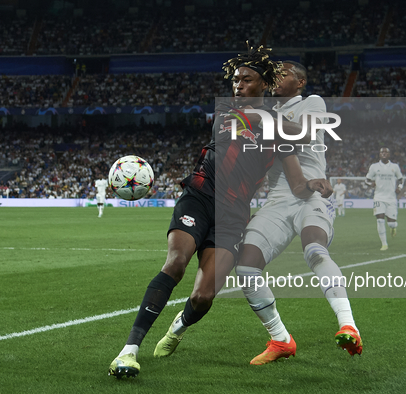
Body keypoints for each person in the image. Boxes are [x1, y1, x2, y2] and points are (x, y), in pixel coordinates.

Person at [108, 44, 327, 379]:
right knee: (176, 262)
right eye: (236, 80)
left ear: (264, 85)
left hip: (233, 217)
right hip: (200, 197)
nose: (237, 86)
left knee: (203, 297)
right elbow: (286, 129)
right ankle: (128, 350)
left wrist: (314, 185)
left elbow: (297, 179)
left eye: (246, 80)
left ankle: (177, 328)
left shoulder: (274, 127)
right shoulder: (230, 115)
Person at [230, 61, 361, 365]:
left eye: (283, 73)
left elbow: (303, 132)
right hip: (277, 198)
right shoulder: (261, 114)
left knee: (314, 251)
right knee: (246, 267)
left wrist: (259, 112)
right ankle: (280, 339)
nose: (276, 78)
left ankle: (348, 325)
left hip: (310, 194)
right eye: (272, 75)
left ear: (300, 82)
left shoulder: (310, 103)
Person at [365, 147, 403, 251]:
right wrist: (370, 183)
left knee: (391, 223)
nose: (384, 154)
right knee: (380, 220)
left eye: (386, 152)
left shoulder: (394, 167)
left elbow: (400, 179)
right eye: (382, 152)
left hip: (391, 198)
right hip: (379, 197)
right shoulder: (374, 167)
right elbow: (367, 180)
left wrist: (399, 188)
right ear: (379, 154)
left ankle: (393, 227)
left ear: (389, 154)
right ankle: (384, 244)